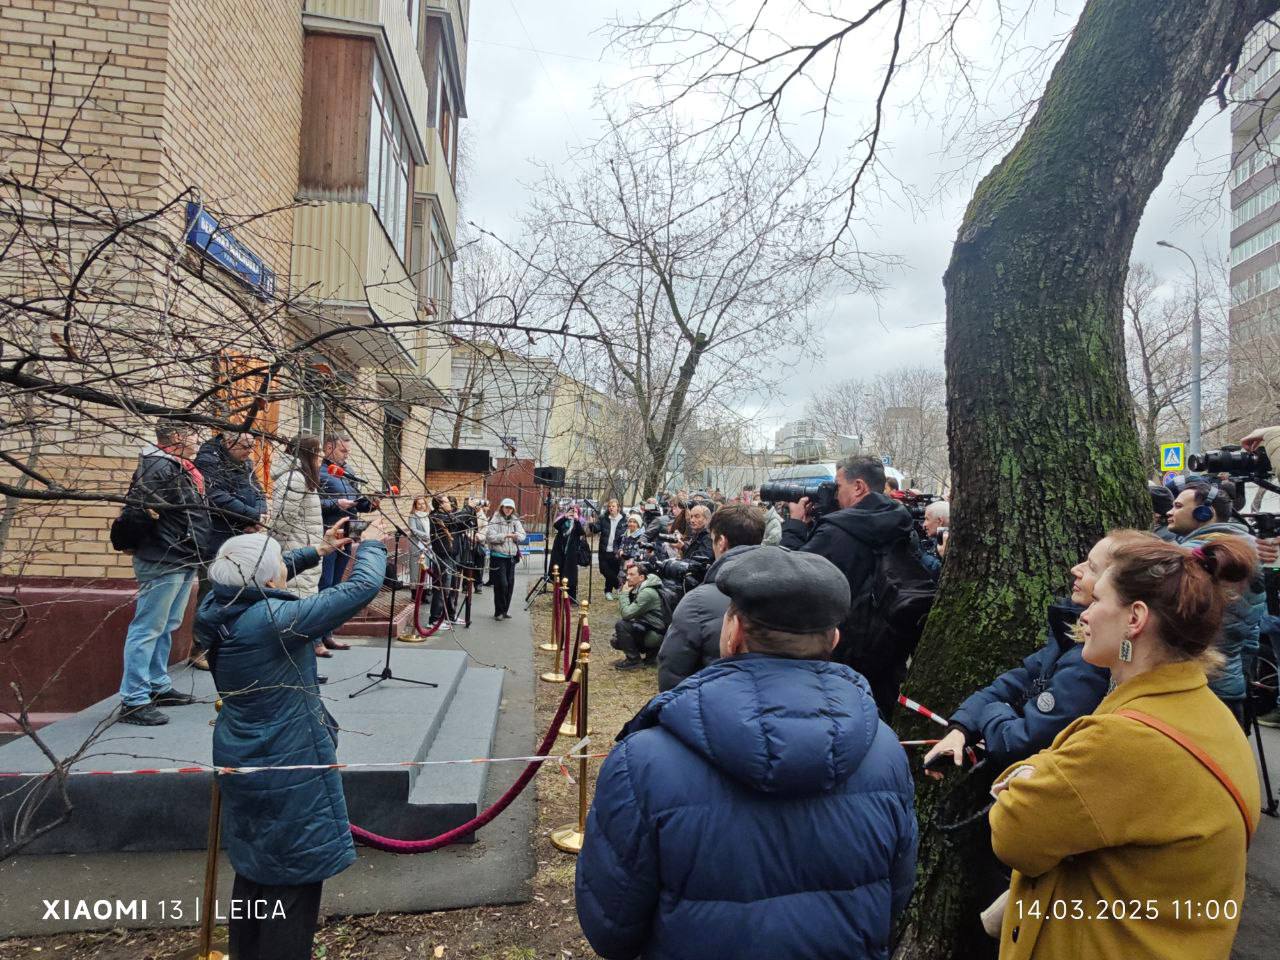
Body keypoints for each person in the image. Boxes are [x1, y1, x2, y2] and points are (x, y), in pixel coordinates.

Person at [576, 547, 917, 960]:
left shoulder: (644, 758)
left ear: (733, 633)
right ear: (834, 639)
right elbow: (894, 896)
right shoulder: (885, 750)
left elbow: (611, 924)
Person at [989, 536, 1261, 960]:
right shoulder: (1209, 713)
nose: (1086, 613)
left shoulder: (1123, 742)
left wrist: (1021, 776)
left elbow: (1013, 835)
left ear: (1135, 617)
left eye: (1098, 599)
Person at [196, 517, 388, 960]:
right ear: (266, 579)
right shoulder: (271, 621)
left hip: (245, 750)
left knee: (257, 871)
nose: (283, 566)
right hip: (287, 761)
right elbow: (357, 591)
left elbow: (265, 569)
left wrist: (316, 552)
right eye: (277, 563)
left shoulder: (222, 604)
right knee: (294, 883)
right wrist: (373, 547)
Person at [923, 533, 1137, 774]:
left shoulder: (1092, 662)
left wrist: (991, 712)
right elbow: (1016, 681)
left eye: (1091, 567)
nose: (1075, 569)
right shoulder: (1071, 637)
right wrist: (961, 728)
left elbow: (1020, 743)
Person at [780, 455, 918, 714]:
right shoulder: (902, 524)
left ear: (858, 487)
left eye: (838, 485)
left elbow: (791, 577)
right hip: (888, 651)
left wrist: (796, 526)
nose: (834, 493)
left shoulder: (837, 531)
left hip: (843, 655)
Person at [117, 421, 212, 726]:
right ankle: (133, 700)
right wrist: (134, 545)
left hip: (181, 555)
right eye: (194, 433)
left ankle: (157, 685)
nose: (199, 439)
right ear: (176, 437)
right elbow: (137, 510)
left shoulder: (179, 466)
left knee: (167, 624)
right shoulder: (158, 466)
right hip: (163, 556)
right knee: (148, 627)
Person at [1167, 478, 1264, 723]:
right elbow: (1251, 635)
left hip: (1196, 687)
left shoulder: (1193, 556)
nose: (1170, 512)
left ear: (1204, 512)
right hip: (1231, 685)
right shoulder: (1250, 549)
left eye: (1178, 506)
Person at [657, 503, 766, 691]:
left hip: (717, 704)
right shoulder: (785, 593)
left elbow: (672, 673)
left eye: (713, 539)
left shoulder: (697, 602)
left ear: (721, 542)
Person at [190, 431, 267, 668]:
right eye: (244, 446)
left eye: (252, 446)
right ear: (227, 442)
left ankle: (227, 646)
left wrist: (259, 514)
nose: (249, 452)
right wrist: (251, 514)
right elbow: (215, 497)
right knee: (211, 592)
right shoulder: (209, 460)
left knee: (236, 591)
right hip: (215, 537)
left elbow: (258, 490)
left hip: (241, 534)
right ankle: (200, 648)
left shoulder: (245, 462)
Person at [268, 435, 327, 664]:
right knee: (296, 617)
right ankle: (296, 670)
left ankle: (303, 669)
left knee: (304, 616)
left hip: (306, 553)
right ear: (308, 452)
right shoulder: (293, 478)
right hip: (295, 554)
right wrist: (273, 553)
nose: (322, 456)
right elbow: (282, 521)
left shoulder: (302, 476)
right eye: (318, 451)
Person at [316, 433, 376, 652]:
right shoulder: (320, 472)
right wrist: (335, 503)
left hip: (349, 534)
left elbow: (357, 502)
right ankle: (316, 638)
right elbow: (312, 502)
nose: (346, 454)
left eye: (348, 451)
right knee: (324, 585)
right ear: (329, 448)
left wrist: (370, 503)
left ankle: (327, 633)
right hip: (329, 535)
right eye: (343, 450)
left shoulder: (347, 472)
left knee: (336, 586)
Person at [612, 560, 666, 670]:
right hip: (654, 629)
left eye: (632, 574)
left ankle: (634, 661)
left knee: (621, 627)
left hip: (657, 634)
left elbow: (626, 614)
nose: (627, 577)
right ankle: (651, 657)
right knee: (618, 636)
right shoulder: (643, 587)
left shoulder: (647, 592)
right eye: (627, 574)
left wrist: (624, 594)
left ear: (641, 577)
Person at [485, 498, 526, 620]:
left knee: (509, 585)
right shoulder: (495, 519)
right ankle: (498, 611)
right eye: (506, 507)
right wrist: (506, 536)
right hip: (498, 556)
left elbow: (523, 535)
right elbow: (490, 536)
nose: (508, 510)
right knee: (501, 584)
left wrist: (516, 536)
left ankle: (504, 611)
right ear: (502, 507)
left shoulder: (515, 520)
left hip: (511, 557)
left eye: (510, 508)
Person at [590, 498, 627, 601]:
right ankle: (619, 585)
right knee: (604, 570)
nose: (611, 508)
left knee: (613, 571)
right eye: (609, 506)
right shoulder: (604, 518)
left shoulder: (624, 520)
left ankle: (608, 592)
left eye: (613, 506)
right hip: (604, 549)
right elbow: (596, 529)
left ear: (618, 508)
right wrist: (592, 523)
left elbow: (626, 535)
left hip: (616, 551)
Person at [550, 500, 586, 600]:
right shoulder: (563, 521)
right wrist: (565, 517)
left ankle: (571, 598)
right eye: (571, 510)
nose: (572, 512)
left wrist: (576, 519)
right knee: (559, 573)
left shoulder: (579, 523)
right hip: (560, 552)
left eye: (574, 511)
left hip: (571, 554)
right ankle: (558, 597)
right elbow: (556, 526)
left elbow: (581, 532)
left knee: (571, 576)